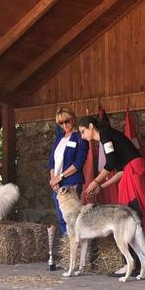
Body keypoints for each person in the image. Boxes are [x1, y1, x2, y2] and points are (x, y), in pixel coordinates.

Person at [79, 115, 145, 275]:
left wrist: (95, 182)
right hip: (133, 174)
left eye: (83, 132)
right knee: (140, 215)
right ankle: (144, 262)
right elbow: (120, 170)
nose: (83, 136)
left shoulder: (105, 135)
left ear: (91, 127)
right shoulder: (109, 136)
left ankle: (137, 263)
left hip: (136, 175)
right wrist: (102, 186)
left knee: (132, 215)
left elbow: (110, 164)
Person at [47, 107, 89, 269]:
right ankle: (68, 255)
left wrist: (60, 177)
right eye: (60, 123)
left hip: (71, 182)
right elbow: (51, 161)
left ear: (73, 119)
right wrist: (53, 178)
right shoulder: (59, 138)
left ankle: (77, 257)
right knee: (61, 218)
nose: (65, 125)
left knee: (72, 219)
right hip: (56, 183)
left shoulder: (80, 138)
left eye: (67, 121)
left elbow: (78, 163)